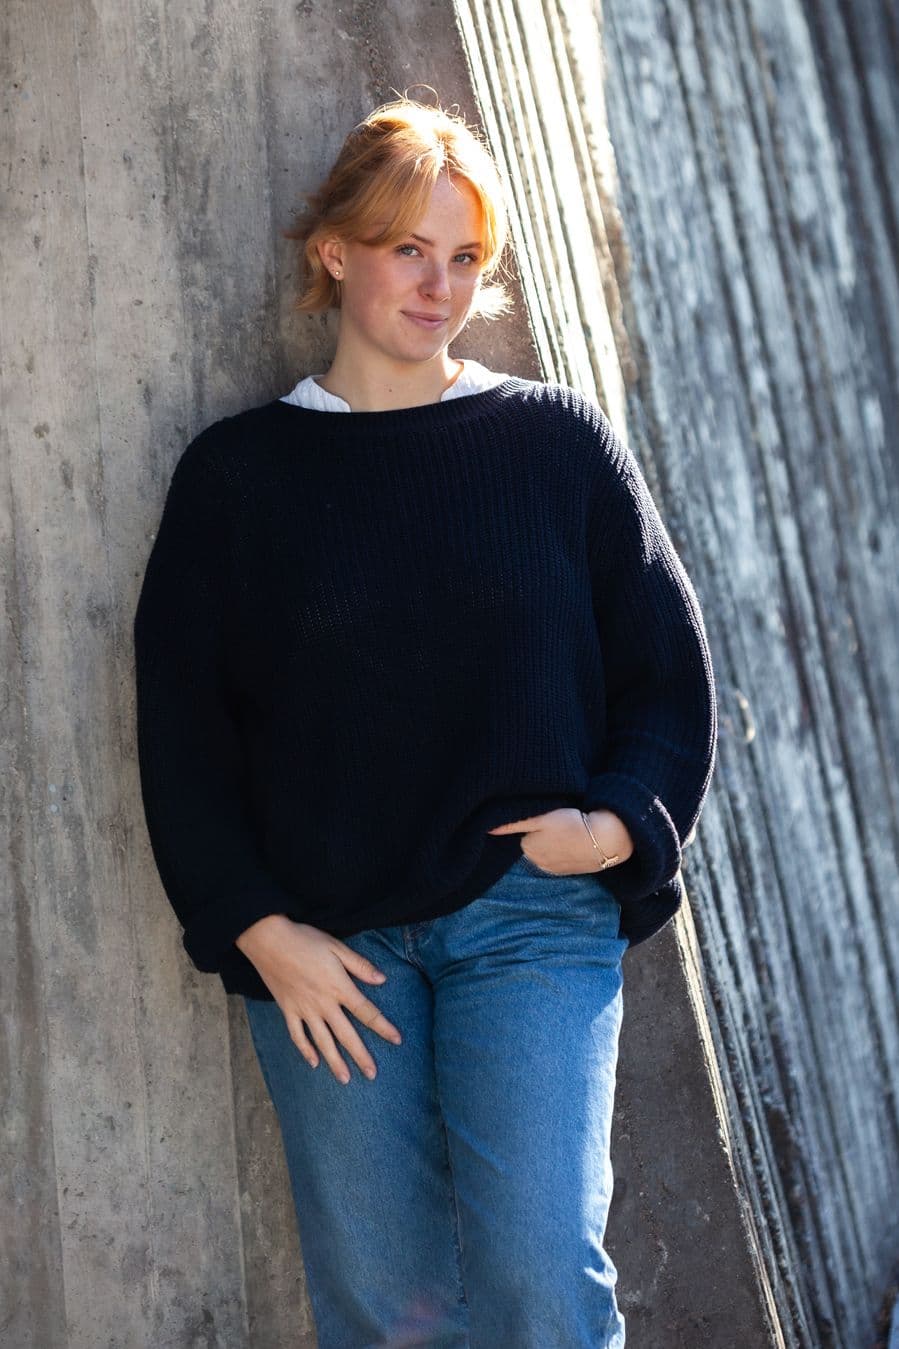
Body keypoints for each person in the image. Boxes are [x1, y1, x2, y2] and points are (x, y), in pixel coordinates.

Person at [133, 93, 717, 1349]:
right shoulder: (238, 477)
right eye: (408, 248)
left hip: (529, 920)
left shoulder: (554, 444)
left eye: (463, 256)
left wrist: (613, 828)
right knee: (383, 1308)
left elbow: (666, 672)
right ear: (333, 251)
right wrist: (257, 928)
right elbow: (181, 730)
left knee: (541, 1283)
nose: (438, 285)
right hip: (328, 946)